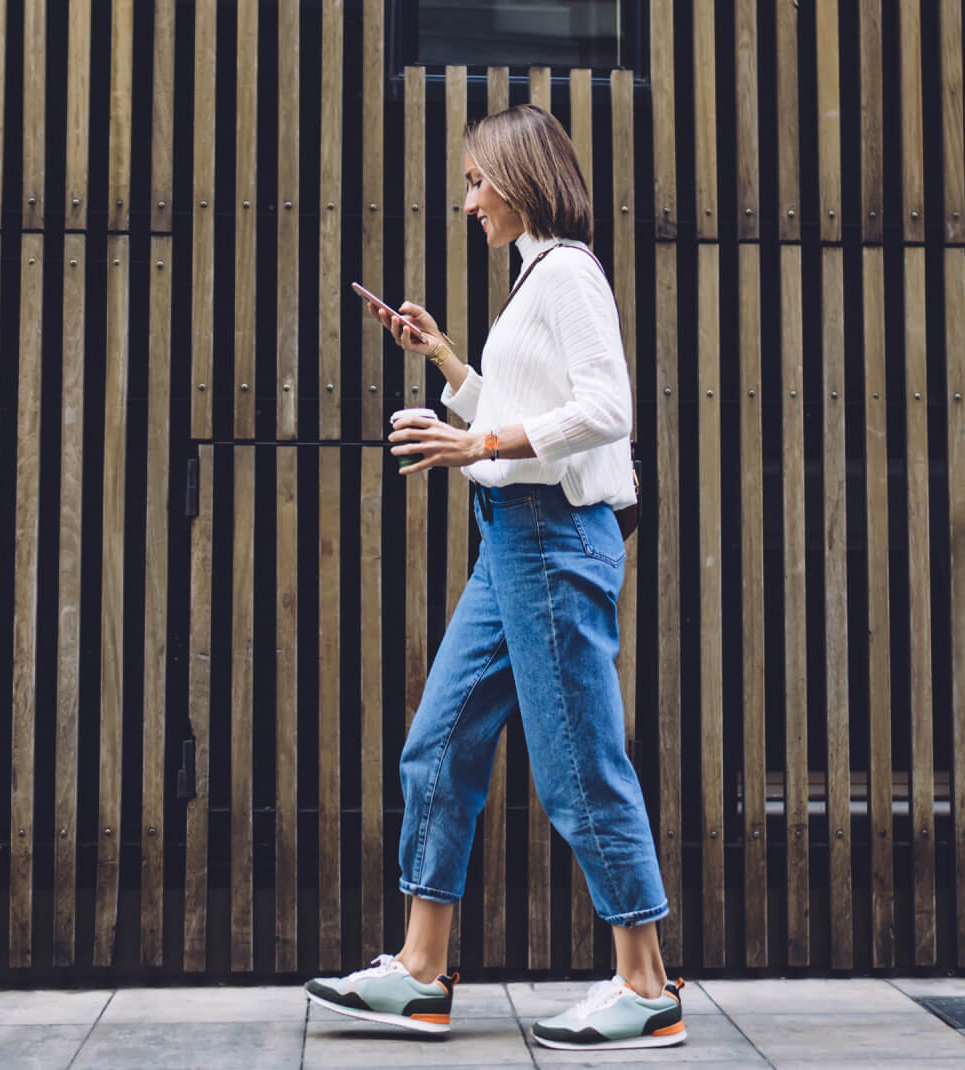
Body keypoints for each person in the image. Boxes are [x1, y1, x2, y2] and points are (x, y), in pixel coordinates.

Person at [305, 103, 685, 1052]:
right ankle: (421, 975)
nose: (469, 200)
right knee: (439, 744)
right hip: (511, 539)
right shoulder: (530, 282)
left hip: (555, 540)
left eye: (478, 179)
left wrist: (475, 438)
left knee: (577, 768)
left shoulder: (569, 272)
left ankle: (646, 986)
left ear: (520, 174)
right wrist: (443, 360)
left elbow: (605, 407)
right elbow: (523, 413)